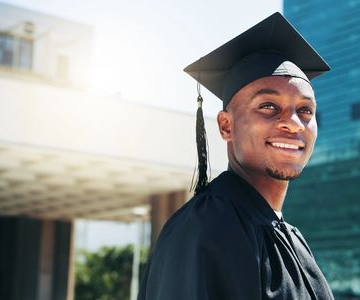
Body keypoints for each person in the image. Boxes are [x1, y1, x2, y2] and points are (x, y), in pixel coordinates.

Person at [138, 12, 333, 300]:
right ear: (226, 125)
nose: (293, 122)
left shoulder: (291, 237)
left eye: (305, 110)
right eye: (268, 106)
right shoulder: (205, 228)